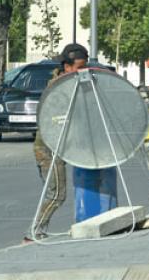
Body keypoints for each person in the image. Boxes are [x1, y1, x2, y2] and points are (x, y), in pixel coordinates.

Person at [26, 43, 89, 242]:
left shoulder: (70, 84)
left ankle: (37, 230)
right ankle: (33, 232)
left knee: (54, 193)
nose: (82, 72)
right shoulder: (58, 87)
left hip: (60, 147)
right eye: (79, 68)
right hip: (48, 149)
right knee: (56, 195)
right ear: (67, 66)